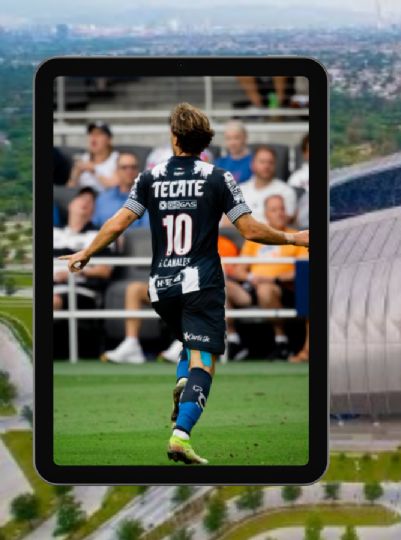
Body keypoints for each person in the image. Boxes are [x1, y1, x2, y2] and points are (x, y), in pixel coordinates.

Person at [59, 102, 309, 465]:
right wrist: (293, 238)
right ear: (205, 140)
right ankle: (181, 436)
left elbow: (117, 223)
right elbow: (250, 230)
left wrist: (86, 252)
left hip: (162, 287)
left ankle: (183, 384)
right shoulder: (218, 177)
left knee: (189, 346)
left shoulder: (150, 177)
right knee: (204, 362)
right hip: (201, 284)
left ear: (174, 138)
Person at [101, 234, 241, 365]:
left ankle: (187, 341)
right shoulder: (174, 243)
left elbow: (224, 273)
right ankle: (131, 344)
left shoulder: (221, 244)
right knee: (135, 290)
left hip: (202, 288)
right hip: (174, 286)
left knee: (192, 288)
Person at [226, 195, 308, 360]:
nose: (280, 213)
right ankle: (233, 340)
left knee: (265, 290)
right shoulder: (257, 236)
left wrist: (271, 279)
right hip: (252, 285)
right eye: (274, 210)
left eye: (282, 209)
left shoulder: (298, 236)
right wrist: (251, 277)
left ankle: (281, 341)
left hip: (283, 288)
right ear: (266, 214)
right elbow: (239, 269)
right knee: (221, 285)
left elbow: (303, 269)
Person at [53, 188, 114, 311]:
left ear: (94, 210)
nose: (85, 202)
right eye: (81, 198)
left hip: (81, 290)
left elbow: (104, 271)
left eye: (90, 201)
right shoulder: (54, 232)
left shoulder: (101, 235)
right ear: (70, 204)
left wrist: (74, 273)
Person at [239, 146, 296, 222]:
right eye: (262, 162)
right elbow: (228, 221)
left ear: (275, 165)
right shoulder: (240, 190)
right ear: (252, 165)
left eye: (270, 162)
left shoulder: (286, 191)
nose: (266, 166)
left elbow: (285, 222)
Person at [93, 152, 148, 229]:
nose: (129, 171)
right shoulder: (103, 198)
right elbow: (94, 226)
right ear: (117, 171)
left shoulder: (147, 199)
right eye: (124, 167)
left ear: (138, 171)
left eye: (133, 167)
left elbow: (146, 231)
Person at [68, 121, 119, 191]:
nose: (94, 137)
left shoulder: (117, 159)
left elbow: (116, 187)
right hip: (84, 195)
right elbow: (69, 190)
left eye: (99, 134)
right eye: (91, 134)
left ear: (109, 139)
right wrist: (75, 176)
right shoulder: (83, 159)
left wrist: (94, 171)